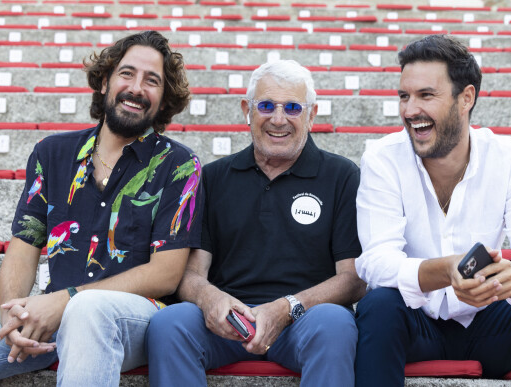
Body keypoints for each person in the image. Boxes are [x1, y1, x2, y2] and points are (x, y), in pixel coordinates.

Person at [354, 34, 511, 386]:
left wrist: (505, 282)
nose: (409, 111)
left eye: (426, 95)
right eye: (404, 96)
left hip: (492, 320)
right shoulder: (382, 158)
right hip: (415, 322)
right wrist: (445, 271)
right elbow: (376, 263)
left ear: (466, 98)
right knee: (378, 307)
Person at [0, 30, 203, 386]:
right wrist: (15, 314)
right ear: (104, 81)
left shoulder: (180, 165)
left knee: (86, 311)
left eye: (152, 81)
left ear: (163, 98)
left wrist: (66, 300)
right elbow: (23, 247)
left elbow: (166, 274)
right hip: (51, 315)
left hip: (136, 320)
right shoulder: (51, 153)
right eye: (127, 73)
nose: (137, 88)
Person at [146, 59, 366, 387]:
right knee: (170, 323)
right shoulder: (213, 177)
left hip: (303, 319)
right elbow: (191, 274)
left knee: (336, 323)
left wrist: (287, 307)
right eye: (266, 106)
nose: (278, 119)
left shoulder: (342, 177)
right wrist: (211, 299)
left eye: (293, 107)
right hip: (227, 322)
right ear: (247, 109)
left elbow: (353, 280)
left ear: (312, 114)